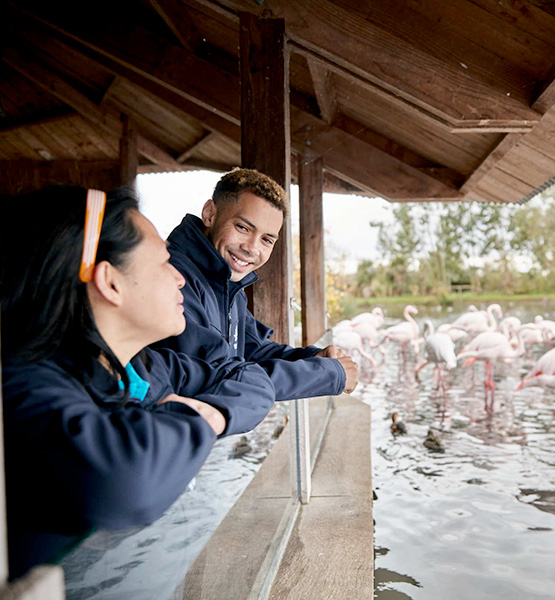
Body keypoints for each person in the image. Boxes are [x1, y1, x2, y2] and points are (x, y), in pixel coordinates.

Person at [0, 186, 278, 580]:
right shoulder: (22, 387)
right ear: (111, 282)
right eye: (164, 262)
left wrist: (210, 410)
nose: (181, 278)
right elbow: (127, 482)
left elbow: (249, 376)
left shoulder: (143, 367)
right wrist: (203, 419)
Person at [156, 168, 359, 401]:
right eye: (242, 228)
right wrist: (328, 374)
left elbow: (254, 351)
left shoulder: (228, 282)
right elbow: (216, 378)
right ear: (210, 213)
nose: (252, 248)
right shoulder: (173, 276)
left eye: (266, 240)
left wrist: (317, 359)